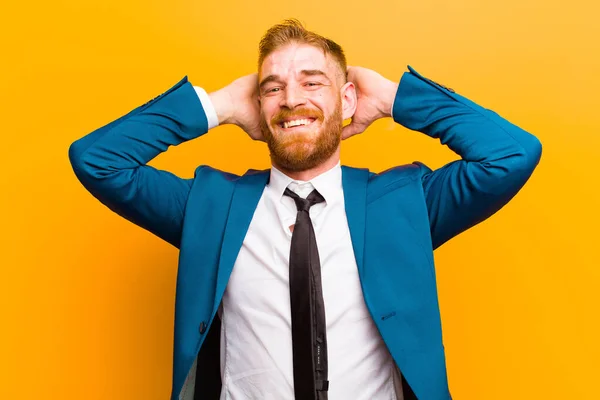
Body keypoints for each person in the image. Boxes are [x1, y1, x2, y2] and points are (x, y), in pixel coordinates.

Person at [69, 18, 541, 400]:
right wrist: (220, 105)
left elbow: (511, 155)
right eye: (273, 88)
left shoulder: (404, 203)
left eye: (312, 82)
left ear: (347, 99)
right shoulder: (210, 208)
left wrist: (397, 99)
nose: (292, 98)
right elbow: (97, 160)